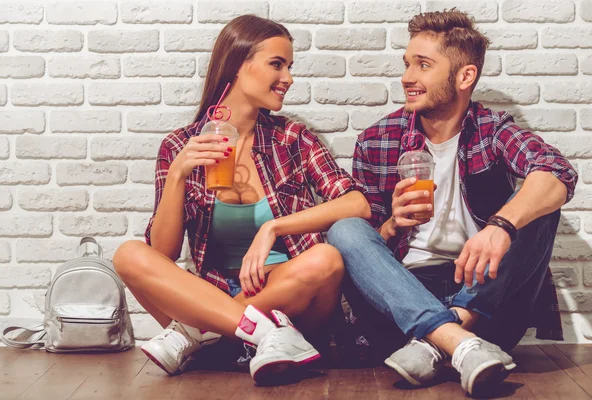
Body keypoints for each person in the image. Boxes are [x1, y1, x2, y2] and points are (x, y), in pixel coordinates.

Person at [327, 9, 578, 396]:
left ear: (464, 76)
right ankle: (458, 342)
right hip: (401, 298)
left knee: (540, 206)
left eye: (423, 65)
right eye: (407, 63)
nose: (407, 77)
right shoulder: (378, 138)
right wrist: (393, 225)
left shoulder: (493, 129)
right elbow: (365, 249)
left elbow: (556, 171)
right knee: (345, 228)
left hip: (482, 295)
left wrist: (500, 226)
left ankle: (443, 335)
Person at [112, 14, 370, 384]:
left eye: (289, 66)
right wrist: (177, 175)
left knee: (325, 259)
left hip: (289, 302)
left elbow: (357, 204)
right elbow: (163, 253)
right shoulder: (179, 145)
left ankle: (197, 334)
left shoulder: (292, 138)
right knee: (128, 255)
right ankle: (259, 334)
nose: (289, 78)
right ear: (237, 64)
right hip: (213, 294)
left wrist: (273, 227)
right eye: (276, 64)